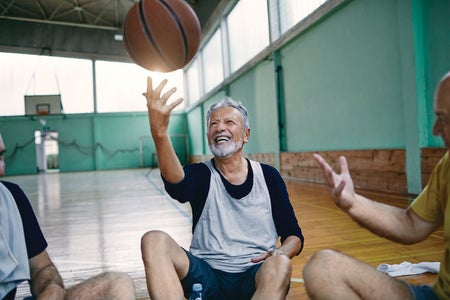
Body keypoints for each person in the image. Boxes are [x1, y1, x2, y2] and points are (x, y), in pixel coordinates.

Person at [141, 77, 304, 299]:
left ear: (246, 134)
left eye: (229, 122)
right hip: (207, 275)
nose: (220, 128)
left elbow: (293, 235)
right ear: (208, 135)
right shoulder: (201, 174)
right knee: (153, 240)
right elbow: (178, 187)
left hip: (254, 275)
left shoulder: (268, 176)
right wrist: (160, 134)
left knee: (280, 264)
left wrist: (280, 252)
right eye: (213, 124)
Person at [303, 71, 450, 300]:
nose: (435, 130)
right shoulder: (447, 166)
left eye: (443, 120)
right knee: (323, 268)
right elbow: (410, 224)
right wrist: (352, 203)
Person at [0, 133, 136, 300]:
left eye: (0, 156)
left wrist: (50, 288)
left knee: (117, 284)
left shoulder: (12, 197)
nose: (2, 169)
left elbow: (41, 268)